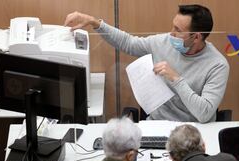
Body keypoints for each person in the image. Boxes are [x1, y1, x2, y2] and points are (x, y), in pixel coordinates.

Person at [64, 4, 229, 123]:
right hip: (157, 124)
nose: (171, 33)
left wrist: (176, 79)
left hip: (194, 130)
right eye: (173, 26)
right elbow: (128, 43)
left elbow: (205, 113)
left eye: (178, 30)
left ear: (197, 37)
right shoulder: (165, 41)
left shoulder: (217, 65)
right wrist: (95, 22)